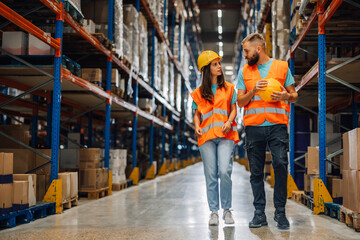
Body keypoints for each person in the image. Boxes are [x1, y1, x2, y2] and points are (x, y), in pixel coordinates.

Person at [236, 33, 298, 230]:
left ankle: (280, 213)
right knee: (256, 172)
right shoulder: (244, 72)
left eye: (246, 51)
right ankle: (259, 213)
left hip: (277, 124)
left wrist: (284, 96)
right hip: (254, 127)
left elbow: (295, 95)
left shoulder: (281, 67)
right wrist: (252, 91)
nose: (245, 55)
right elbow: (240, 101)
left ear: (258, 49)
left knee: (280, 165)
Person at [191, 50, 240, 226]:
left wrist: (229, 121)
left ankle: (227, 210)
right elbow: (196, 114)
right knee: (210, 174)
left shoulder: (229, 88)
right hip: (206, 137)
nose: (219, 66)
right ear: (206, 69)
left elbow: (234, 109)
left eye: (219, 63)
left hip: (226, 135)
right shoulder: (198, 93)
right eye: (215, 64)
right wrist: (197, 125)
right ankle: (213, 212)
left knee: (224, 171)